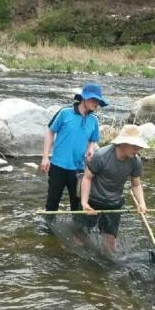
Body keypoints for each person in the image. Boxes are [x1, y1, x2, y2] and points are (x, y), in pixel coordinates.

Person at [79, 124, 148, 255]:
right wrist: (84, 202)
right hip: (93, 200)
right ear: (122, 144)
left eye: (138, 146)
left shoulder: (135, 161)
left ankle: (108, 264)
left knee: (110, 240)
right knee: (81, 235)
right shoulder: (101, 156)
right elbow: (87, 178)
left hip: (114, 203)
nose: (137, 149)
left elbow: (136, 185)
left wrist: (142, 203)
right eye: (134, 146)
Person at [41, 83, 106, 213]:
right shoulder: (65, 113)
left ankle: (76, 230)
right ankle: (48, 230)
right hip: (58, 166)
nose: (96, 104)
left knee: (77, 205)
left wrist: (90, 148)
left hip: (79, 170)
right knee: (52, 203)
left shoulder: (94, 120)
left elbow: (93, 140)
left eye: (98, 102)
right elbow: (50, 132)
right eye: (94, 100)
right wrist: (45, 157)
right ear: (85, 99)